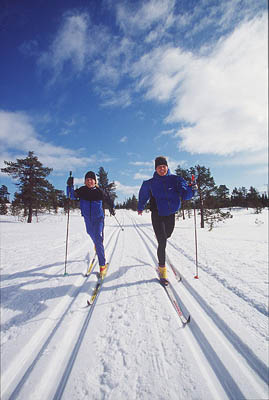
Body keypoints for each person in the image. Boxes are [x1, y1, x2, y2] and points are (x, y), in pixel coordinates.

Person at [137, 156, 196, 285]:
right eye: (159, 167)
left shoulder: (176, 180)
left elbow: (186, 195)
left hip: (170, 214)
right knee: (162, 241)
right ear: (155, 169)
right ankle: (162, 271)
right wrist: (140, 207)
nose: (162, 169)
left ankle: (160, 235)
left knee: (167, 235)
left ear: (167, 167)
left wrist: (193, 189)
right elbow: (143, 196)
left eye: (163, 166)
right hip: (157, 214)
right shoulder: (150, 183)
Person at [67, 171, 115, 278]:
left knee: (98, 238)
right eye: (87, 180)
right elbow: (71, 196)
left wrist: (112, 208)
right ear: (85, 181)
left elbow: (109, 200)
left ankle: (102, 265)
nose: (89, 181)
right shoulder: (82, 191)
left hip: (98, 218)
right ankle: (97, 246)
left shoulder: (99, 191)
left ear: (95, 181)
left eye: (91, 179)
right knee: (90, 233)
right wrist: (69, 186)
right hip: (87, 218)